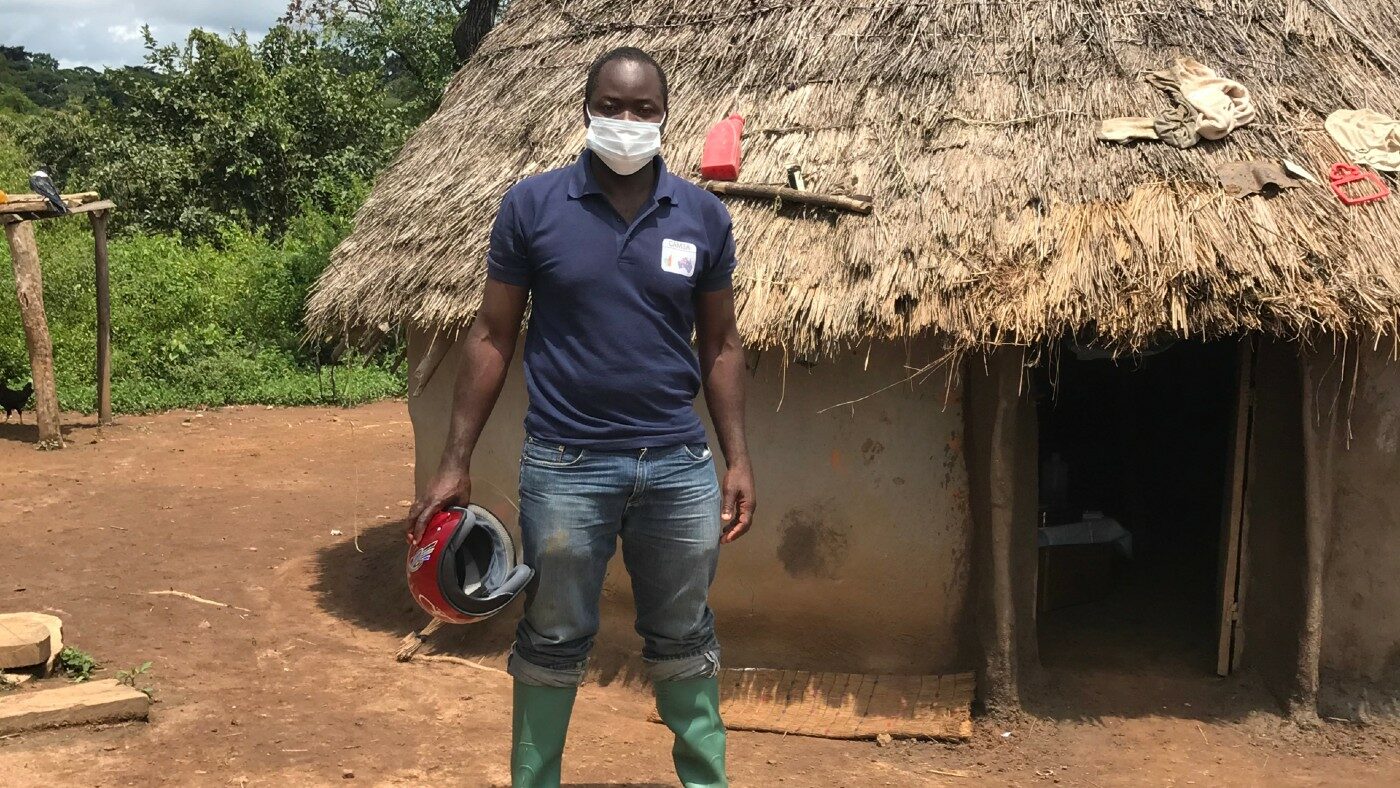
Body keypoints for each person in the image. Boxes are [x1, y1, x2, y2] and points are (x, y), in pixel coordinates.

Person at [408, 46, 755, 788]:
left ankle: (706, 781)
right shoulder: (532, 206)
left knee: (685, 633)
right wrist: (453, 458)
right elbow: (493, 334)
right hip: (567, 465)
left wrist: (737, 459)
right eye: (611, 105)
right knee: (554, 632)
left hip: (678, 468)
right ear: (586, 110)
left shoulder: (701, 216)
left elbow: (722, 345)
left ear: (665, 116)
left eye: (643, 109)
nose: (626, 121)